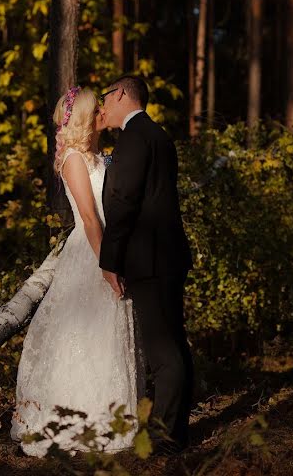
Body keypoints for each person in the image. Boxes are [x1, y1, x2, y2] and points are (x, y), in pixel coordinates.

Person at [11, 86, 140, 457]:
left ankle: (112, 414)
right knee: (82, 335)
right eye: (97, 107)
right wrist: (108, 265)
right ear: (86, 117)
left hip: (111, 245)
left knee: (109, 334)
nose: (103, 110)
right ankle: (77, 420)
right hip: (91, 251)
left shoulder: (98, 155)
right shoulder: (73, 158)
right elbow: (87, 218)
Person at [98, 76, 194, 454]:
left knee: (163, 351)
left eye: (107, 95)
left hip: (149, 259)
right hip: (169, 255)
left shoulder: (134, 137)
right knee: (176, 343)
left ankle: (165, 439)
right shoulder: (158, 135)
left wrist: (110, 259)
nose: (105, 103)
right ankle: (177, 431)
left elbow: (124, 202)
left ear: (121, 93)